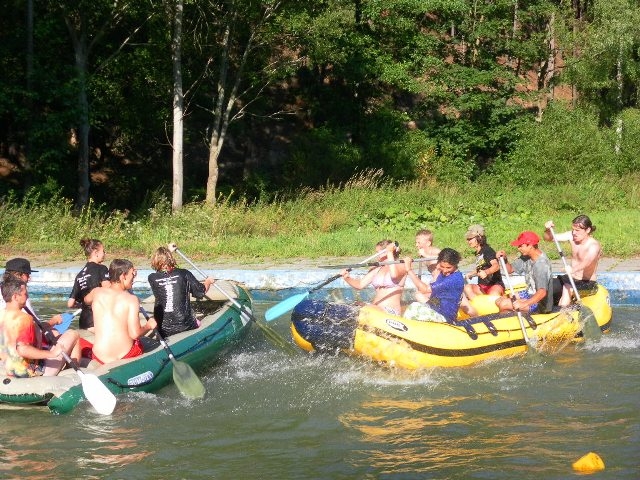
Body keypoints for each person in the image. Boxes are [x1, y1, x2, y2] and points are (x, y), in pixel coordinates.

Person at [0, 277, 80, 377]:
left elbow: (36, 329)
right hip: (30, 372)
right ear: (15, 297)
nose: (27, 297)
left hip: (9, 368)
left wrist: (53, 322)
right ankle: (74, 375)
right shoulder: (24, 318)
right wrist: (53, 353)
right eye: (25, 294)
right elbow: (22, 349)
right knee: (73, 334)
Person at [84, 259, 157, 365]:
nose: (134, 277)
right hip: (125, 355)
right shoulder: (131, 299)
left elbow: (86, 300)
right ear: (123, 276)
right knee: (141, 341)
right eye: (132, 274)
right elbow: (135, 334)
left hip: (99, 356)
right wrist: (149, 326)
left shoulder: (97, 292)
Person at [148, 246, 215, 337]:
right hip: (185, 326)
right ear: (171, 259)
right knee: (197, 321)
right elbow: (201, 292)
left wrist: (166, 253)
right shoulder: (184, 273)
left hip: (163, 329)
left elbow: (162, 272)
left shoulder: (152, 278)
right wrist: (208, 281)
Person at [543, 215, 602, 306]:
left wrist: (573, 269)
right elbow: (548, 238)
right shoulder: (572, 236)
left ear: (588, 230)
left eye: (577, 230)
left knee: (567, 288)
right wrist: (548, 230)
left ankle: (563, 311)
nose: (574, 233)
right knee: (548, 286)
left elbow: (587, 262)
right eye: (573, 229)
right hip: (570, 278)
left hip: (587, 282)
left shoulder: (593, 245)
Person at [0, 258, 66, 338]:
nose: (29, 279)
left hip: (6, 336)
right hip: (19, 337)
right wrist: (54, 321)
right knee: (63, 333)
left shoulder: (4, 290)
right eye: (27, 275)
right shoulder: (20, 295)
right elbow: (36, 327)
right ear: (18, 275)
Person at [341, 240, 408, 315]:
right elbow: (360, 285)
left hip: (390, 311)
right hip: (375, 308)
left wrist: (389, 253)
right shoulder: (377, 269)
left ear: (385, 252)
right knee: (355, 305)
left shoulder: (401, 265)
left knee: (365, 309)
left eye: (378, 253)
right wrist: (347, 278)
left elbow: (394, 276)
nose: (377, 256)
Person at [495, 231, 553, 314]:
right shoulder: (526, 257)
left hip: (540, 303)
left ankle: (509, 318)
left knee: (504, 304)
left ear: (530, 246)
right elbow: (510, 270)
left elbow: (542, 292)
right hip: (529, 293)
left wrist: (523, 304)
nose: (518, 248)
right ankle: (513, 314)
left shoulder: (541, 265)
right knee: (499, 300)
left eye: (521, 246)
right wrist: (504, 260)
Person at [403, 248, 465, 323]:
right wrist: (438, 268)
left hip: (445, 316)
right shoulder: (444, 273)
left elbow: (425, 289)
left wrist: (409, 270)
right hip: (436, 307)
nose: (445, 271)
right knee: (417, 299)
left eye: (449, 267)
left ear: (455, 264)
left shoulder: (453, 279)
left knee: (413, 308)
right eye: (442, 266)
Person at [67, 238, 110, 330]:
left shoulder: (79, 275)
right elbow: (108, 290)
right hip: (98, 320)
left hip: (84, 322)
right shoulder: (101, 268)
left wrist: (83, 305)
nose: (105, 253)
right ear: (96, 252)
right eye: (103, 251)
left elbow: (70, 304)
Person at [463, 224, 505, 299]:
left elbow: (496, 266)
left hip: (494, 285)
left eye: (470, 239)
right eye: (468, 239)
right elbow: (481, 267)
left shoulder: (487, 251)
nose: (468, 241)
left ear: (479, 238)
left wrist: (486, 272)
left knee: (493, 294)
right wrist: (471, 273)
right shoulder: (478, 253)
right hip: (482, 286)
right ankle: (477, 304)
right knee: (467, 288)